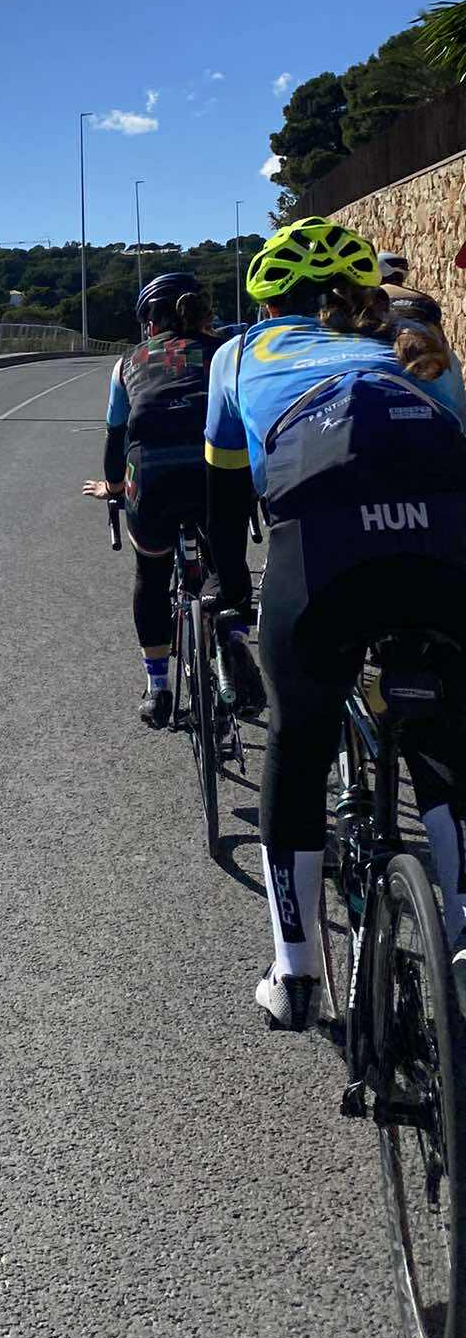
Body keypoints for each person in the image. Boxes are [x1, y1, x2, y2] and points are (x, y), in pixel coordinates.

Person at [203, 216, 466, 1032]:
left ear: (266, 302)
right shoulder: (414, 345)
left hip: (321, 556)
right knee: (444, 733)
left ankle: (296, 974)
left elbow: (225, 501)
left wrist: (232, 596)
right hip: (444, 544)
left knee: (300, 738)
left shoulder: (237, 354)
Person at [83, 273, 262, 728]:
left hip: (152, 477)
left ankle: (158, 687)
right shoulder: (226, 349)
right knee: (225, 558)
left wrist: (114, 489)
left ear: (148, 323)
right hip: (215, 469)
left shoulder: (127, 363)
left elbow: (115, 438)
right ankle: (235, 642)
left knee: (151, 572)